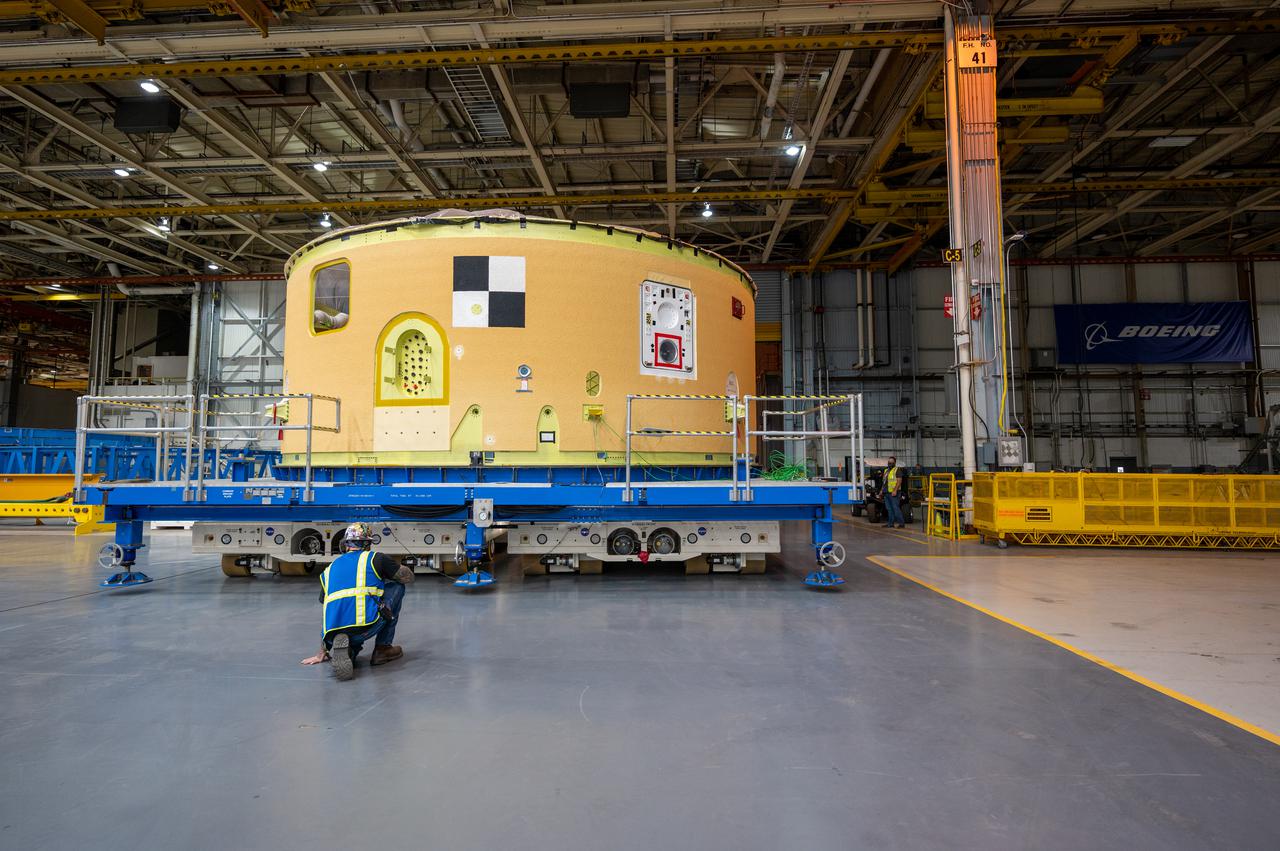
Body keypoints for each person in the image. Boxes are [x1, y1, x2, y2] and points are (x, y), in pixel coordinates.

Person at [300, 522, 414, 681]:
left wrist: (322, 651)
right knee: (396, 586)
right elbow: (408, 577)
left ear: (346, 544)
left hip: (333, 633)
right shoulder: (376, 558)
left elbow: (326, 610)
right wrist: (396, 566)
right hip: (367, 627)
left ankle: (350, 649)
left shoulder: (329, 569)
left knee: (335, 605)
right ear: (368, 542)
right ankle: (382, 648)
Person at [883, 456, 906, 529]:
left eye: (891, 462)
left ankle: (901, 523)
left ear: (894, 463)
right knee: (889, 509)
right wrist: (881, 490)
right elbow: (884, 482)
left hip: (894, 493)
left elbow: (899, 481)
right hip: (886, 492)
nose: (890, 463)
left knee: (895, 508)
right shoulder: (886, 471)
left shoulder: (897, 470)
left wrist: (895, 490)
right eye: (889, 462)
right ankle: (890, 523)